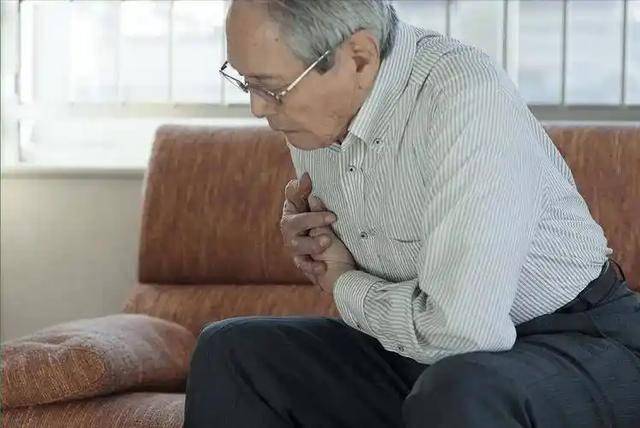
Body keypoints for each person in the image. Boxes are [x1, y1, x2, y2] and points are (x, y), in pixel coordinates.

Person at [184, 1, 640, 427]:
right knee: (232, 352)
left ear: (359, 58)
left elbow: (465, 333)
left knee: (459, 391)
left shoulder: (462, 94)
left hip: (573, 340)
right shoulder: (316, 116)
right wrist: (318, 243)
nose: (257, 107)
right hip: (426, 356)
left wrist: (344, 283)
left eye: (271, 87)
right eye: (246, 82)